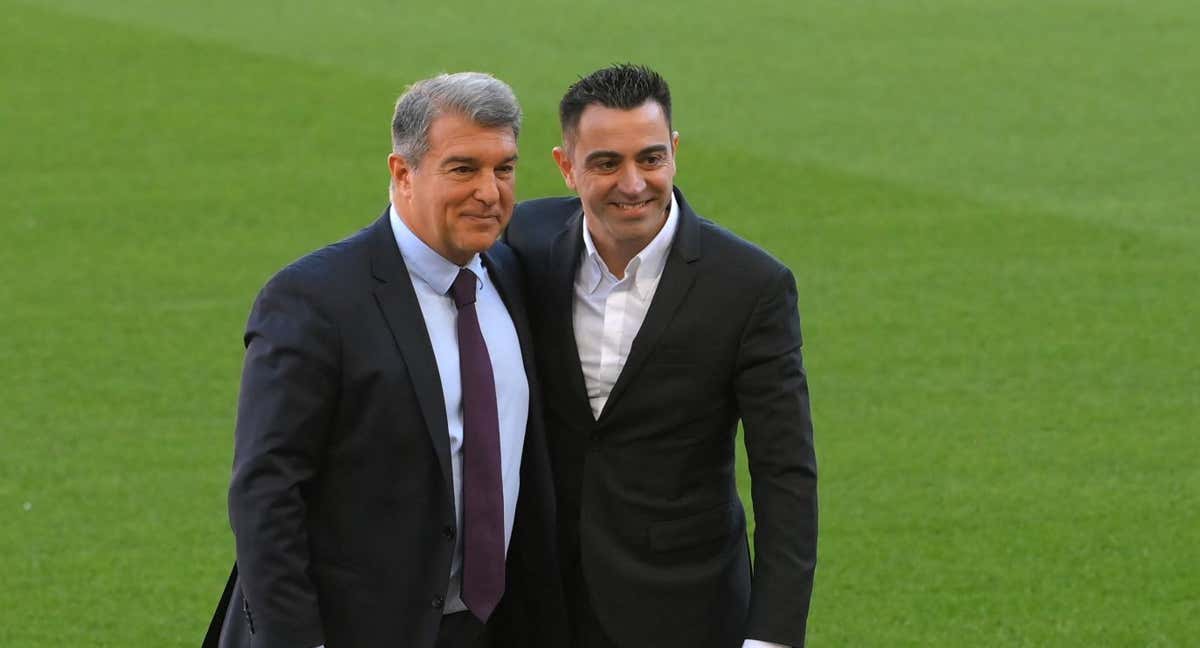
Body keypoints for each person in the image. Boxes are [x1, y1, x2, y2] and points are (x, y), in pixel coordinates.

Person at [204, 72, 566, 648]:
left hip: (490, 628)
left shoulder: (511, 276)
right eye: (463, 168)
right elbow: (265, 496)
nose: (491, 192)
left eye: (504, 168)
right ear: (402, 173)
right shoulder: (313, 300)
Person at [504, 64, 818, 648]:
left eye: (650, 158)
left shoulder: (751, 285)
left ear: (674, 151)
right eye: (606, 163)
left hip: (686, 609)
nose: (633, 183)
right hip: (541, 605)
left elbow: (785, 473)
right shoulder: (520, 241)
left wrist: (773, 636)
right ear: (565, 167)